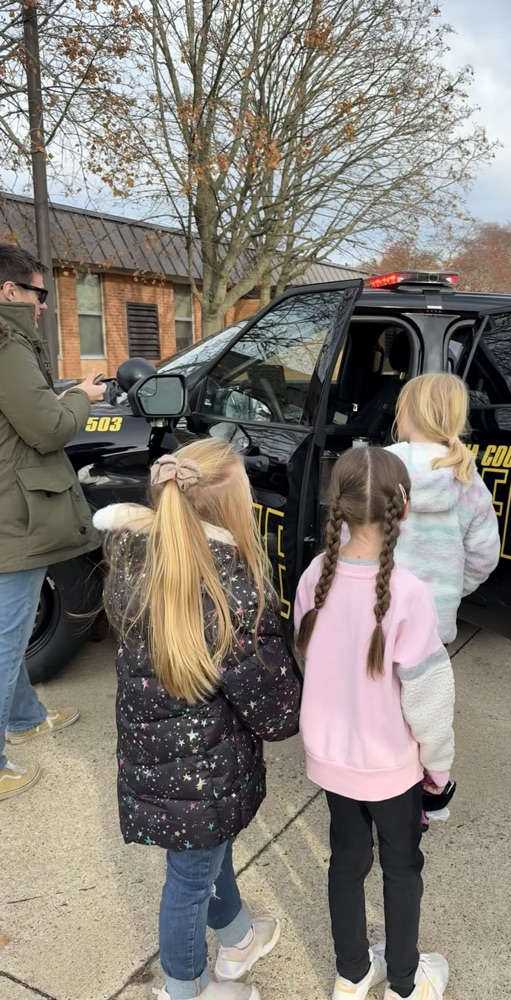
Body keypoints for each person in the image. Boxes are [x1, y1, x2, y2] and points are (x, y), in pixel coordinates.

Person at [94, 439, 301, 1000]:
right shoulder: (232, 589)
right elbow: (278, 712)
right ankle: (182, 988)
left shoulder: (135, 558)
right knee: (187, 884)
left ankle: (236, 934)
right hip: (203, 774)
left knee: (209, 852)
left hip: (162, 765)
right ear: (231, 508)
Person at [294, 447, 455, 1000]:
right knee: (403, 866)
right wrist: (439, 767)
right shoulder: (409, 592)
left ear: (334, 505)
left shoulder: (314, 576)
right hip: (392, 766)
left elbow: (308, 658)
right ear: (402, 507)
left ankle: (352, 973)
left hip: (334, 763)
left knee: (347, 861)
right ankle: (405, 985)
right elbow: (428, 699)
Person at [0, 242, 105, 802]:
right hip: (12, 517)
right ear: (8, 291)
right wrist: (84, 398)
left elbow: (24, 414)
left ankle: (23, 717)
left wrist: (56, 396)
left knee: (7, 632)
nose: (43, 304)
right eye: (38, 293)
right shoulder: (8, 345)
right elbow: (48, 431)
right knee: (5, 636)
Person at [385, 372, 499, 645]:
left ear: (407, 412)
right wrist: (451, 589)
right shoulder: (468, 478)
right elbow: (484, 555)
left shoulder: (380, 466)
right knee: (426, 688)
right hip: (434, 626)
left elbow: (350, 536)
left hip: (376, 615)